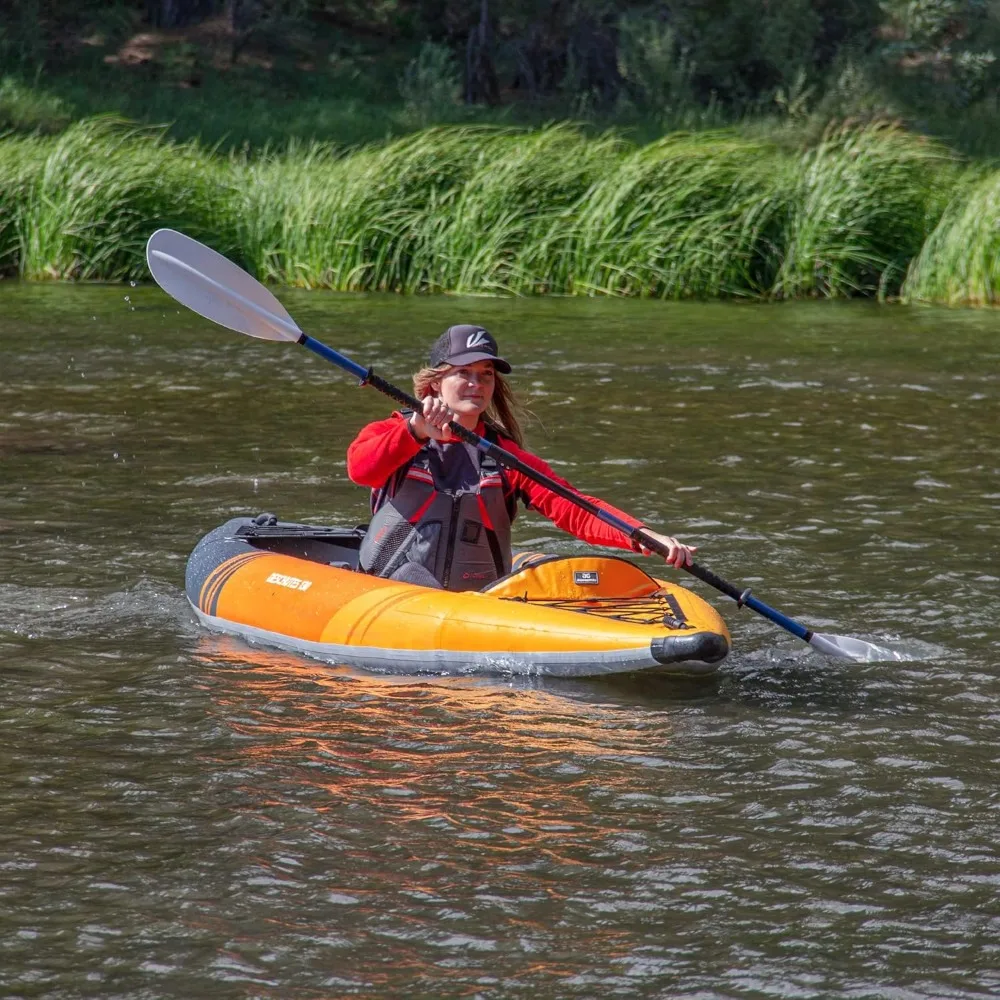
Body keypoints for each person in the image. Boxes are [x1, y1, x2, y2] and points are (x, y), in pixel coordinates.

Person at [347, 324, 697, 591]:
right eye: (463, 373)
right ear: (436, 382)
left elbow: (574, 507)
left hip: (478, 597)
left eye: (486, 375)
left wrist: (643, 534)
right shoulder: (394, 431)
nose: (477, 383)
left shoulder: (503, 456)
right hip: (392, 589)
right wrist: (417, 431)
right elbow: (360, 469)